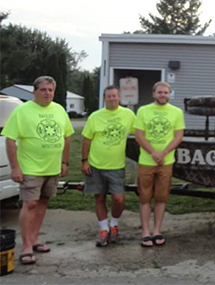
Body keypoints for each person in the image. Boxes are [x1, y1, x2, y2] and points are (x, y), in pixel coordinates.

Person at [2, 76, 74, 265]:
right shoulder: (22, 111)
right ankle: (25, 246)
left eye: (50, 90)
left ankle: (34, 240)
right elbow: (10, 140)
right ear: (34, 91)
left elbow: (67, 137)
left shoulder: (59, 110)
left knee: (43, 202)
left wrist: (65, 163)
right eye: (43, 89)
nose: (47, 93)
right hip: (30, 168)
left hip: (52, 167)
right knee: (30, 204)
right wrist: (15, 167)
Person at [81, 85, 136, 246]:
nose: (112, 98)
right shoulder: (95, 116)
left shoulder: (128, 115)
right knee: (99, 197)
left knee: (118, 199)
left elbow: (140, 132)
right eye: (108, 96)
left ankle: (114, 225)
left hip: (117, 166)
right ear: (104, 98)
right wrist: (84, 161)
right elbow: (86, 139)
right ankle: (103, 229)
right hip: (95, 165)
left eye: (114, 96)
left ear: (120, 97)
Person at [134, 81, 185, 247]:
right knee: (145, 198)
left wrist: (163, 153)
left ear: (169, 94)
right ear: (154, 94)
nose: (163, 95)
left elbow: (178, 136)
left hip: (166, 161)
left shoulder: (176, 112)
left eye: (166, 93)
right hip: (146, 161)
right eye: (160, 92)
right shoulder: (143, 111)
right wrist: (153, 152)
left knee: (162, 198)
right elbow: (139, 135)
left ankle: (157, 230)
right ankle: (145, 232)